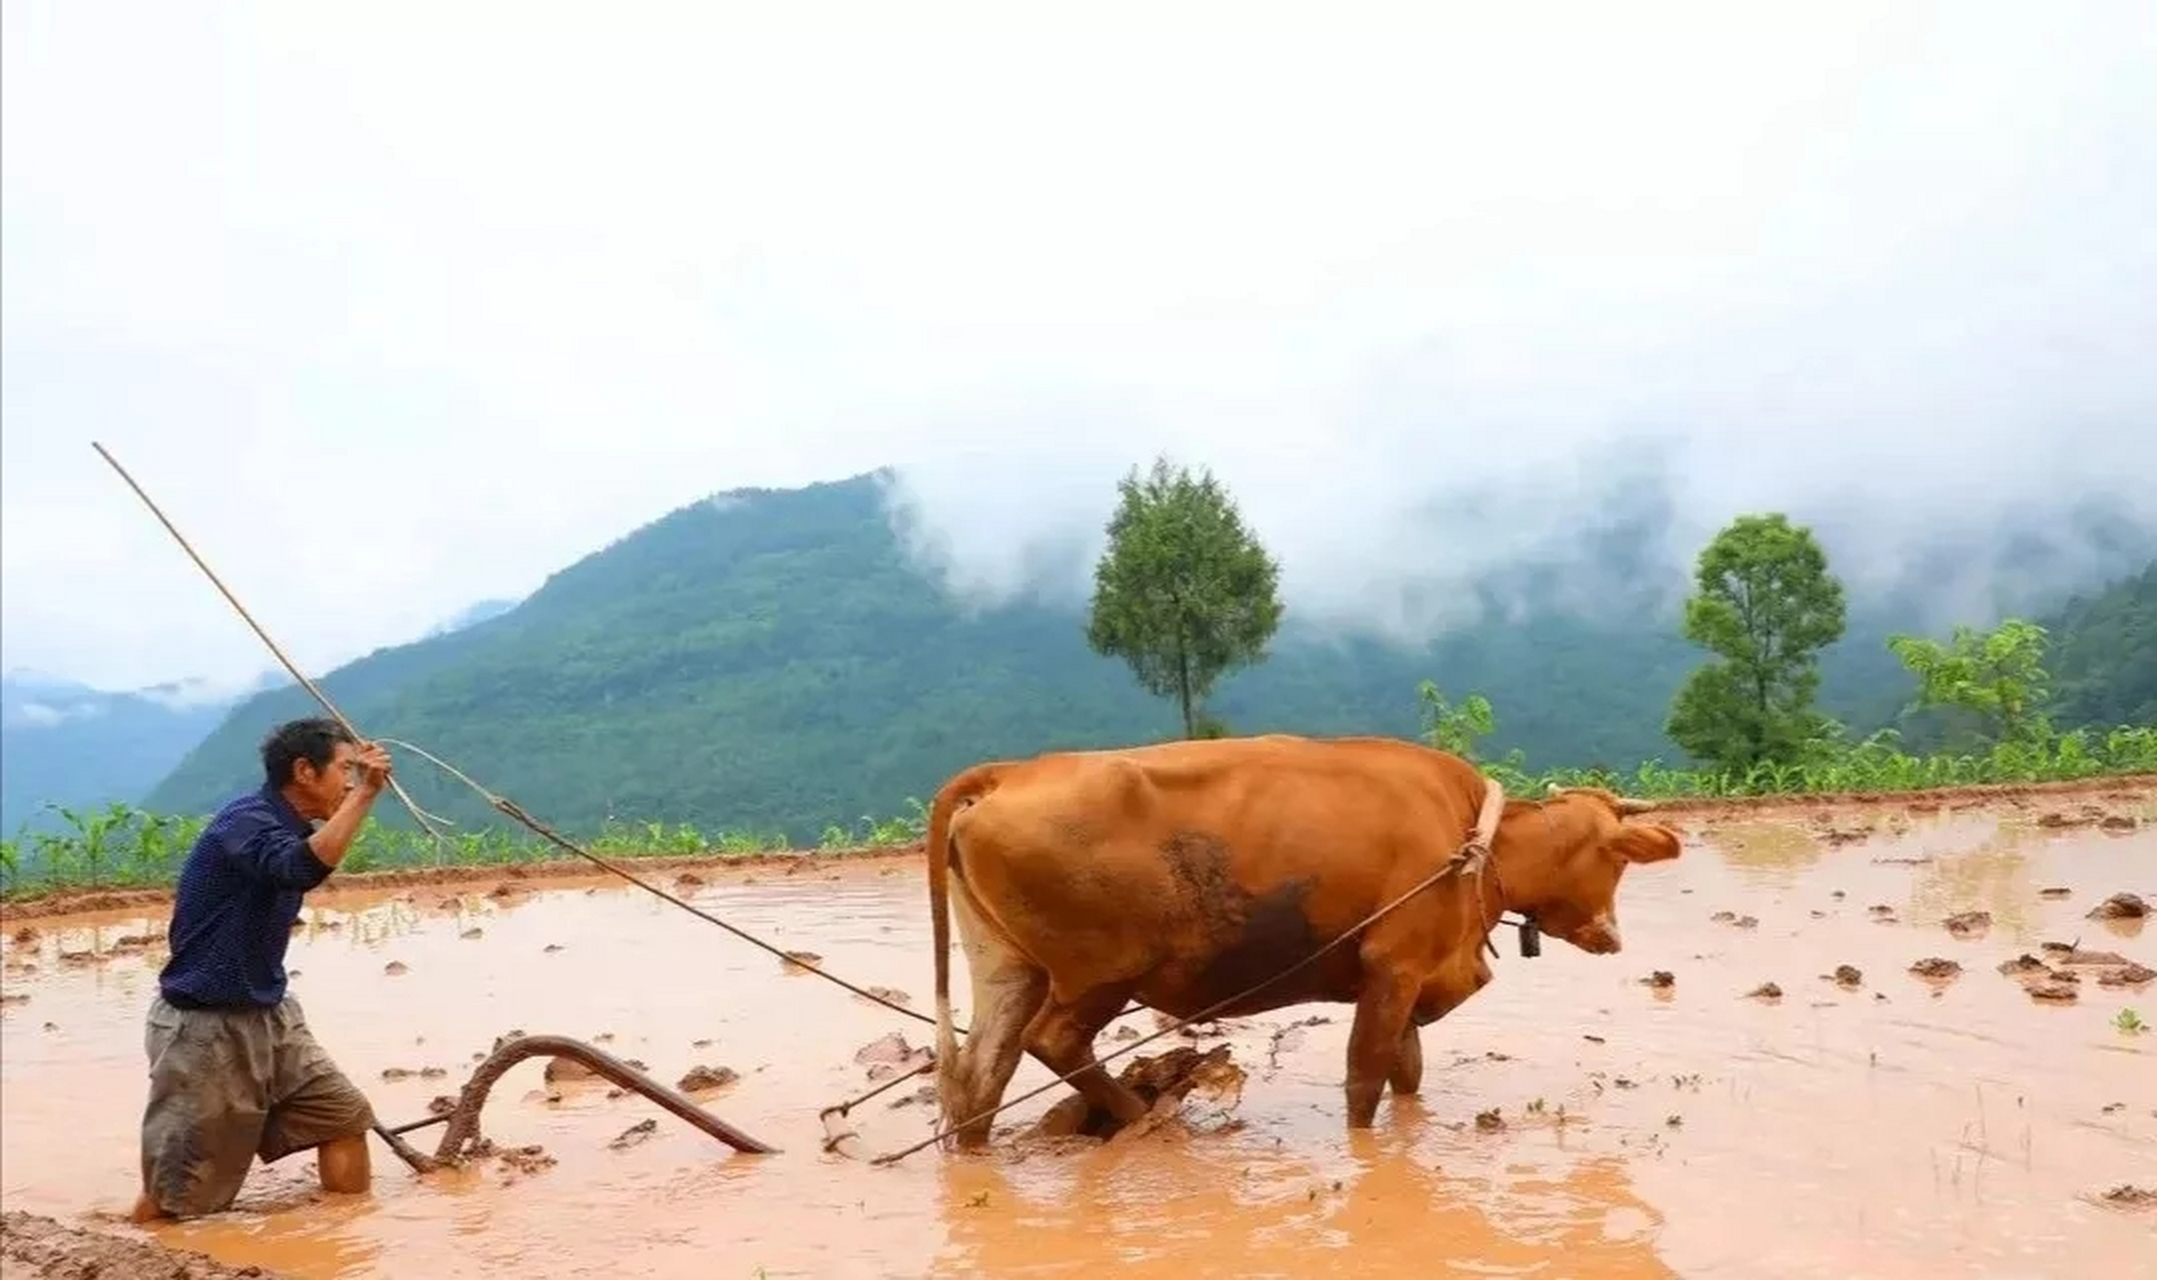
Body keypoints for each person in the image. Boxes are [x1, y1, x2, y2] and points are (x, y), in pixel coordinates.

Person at [130, 716, 394, 1222]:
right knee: (180, 1193)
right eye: (345, 769)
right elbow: (299, 868)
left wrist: (360, 793)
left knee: (341, 1118)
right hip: (205, 1027)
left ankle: (344, 1247)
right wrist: (367, 796)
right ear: (304, 771)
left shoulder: (289, 829)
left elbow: (303, 858)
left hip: (270, 1015)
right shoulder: (244, 821)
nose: (350, 780)